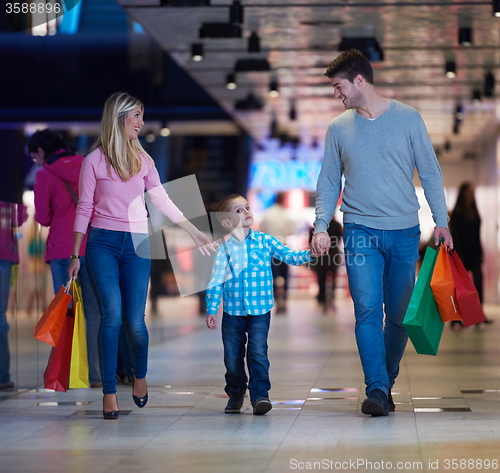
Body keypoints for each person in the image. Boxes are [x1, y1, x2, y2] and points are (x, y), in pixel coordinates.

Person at [310, 49, 453, 417]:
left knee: (401, 317)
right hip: (359, 230)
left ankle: (385, 381)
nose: (336, 95)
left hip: (405, 231)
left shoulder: (408, 119)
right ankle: (375, 388)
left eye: (339, 86)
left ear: (360, 80)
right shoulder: (338, 127)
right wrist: (321, 225)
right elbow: (328, 180)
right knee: (367, 310)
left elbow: (431, 172)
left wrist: (442, 221)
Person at [68, 92, 216, 420]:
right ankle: (108, 392)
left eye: (142, 115)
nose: (141, 122)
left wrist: (193, 230)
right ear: (120, 117)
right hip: (102, 244)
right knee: (112, 316)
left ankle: (140, 374)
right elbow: (85, 207)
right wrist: (75, 253)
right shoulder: (93, 161)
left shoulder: (143, 160)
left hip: (138, 244)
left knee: (135, 322)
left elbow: (161, 200)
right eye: (136, 115)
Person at [205, 194, 313, 415]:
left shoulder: (265, 241)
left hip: (260, 311)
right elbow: (216, 280)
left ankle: (260, 395)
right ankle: (235, 393)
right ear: (226, 223)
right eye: (238, 210)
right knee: (232, 356)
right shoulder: (224, 249)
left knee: (258, 352)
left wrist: (311, 253)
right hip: (232, 313)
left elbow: (289, 256)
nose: (246, 212)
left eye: (247, 207)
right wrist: (211, 308)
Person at [29, 129, 102, 387]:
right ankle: (95, 375)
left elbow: (43, 218)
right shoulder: (87, 164)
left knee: (65, 312)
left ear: (41, 152)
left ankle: (69, 374)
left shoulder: (45, 174)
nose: (35, 161)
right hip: (93, 246)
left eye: (34, 156)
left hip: (63, 250)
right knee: (94, 312)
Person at [449, 182, 491, 327]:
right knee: (460, 288)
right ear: (463, 194)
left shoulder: (474, 211)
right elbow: (456, 235)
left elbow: (477, 235)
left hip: (474, 254)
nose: (471, 195)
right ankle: (456, 317)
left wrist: (480, 252)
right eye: (468, 192)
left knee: (478, 282)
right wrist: (458, 254)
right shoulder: (458, 212)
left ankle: (478, 315)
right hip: (462, 254)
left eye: (472, 192)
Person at [0, 201, 27, 389]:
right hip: (4, 253)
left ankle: (3, 375)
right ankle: (2, 376)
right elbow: (20, 218)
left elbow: (20, 219)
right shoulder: (9, 186)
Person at [259, 192, 295, 313]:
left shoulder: (267, 214)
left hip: (271, 249)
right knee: (285, 276)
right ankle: (284, 300)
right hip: (283, 247)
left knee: (272, 276)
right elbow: (291, 231)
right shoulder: (286, 214)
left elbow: (261, 230)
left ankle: (276, 301)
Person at [308, 217, 343, 312]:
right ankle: (331, 298)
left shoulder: (318, 227)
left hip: (321, 256)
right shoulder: (337, 225)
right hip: (333, 255)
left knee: (321, 279)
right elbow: (340, 239)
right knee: (333, 279)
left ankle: (322, 299)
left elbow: (310, 241)